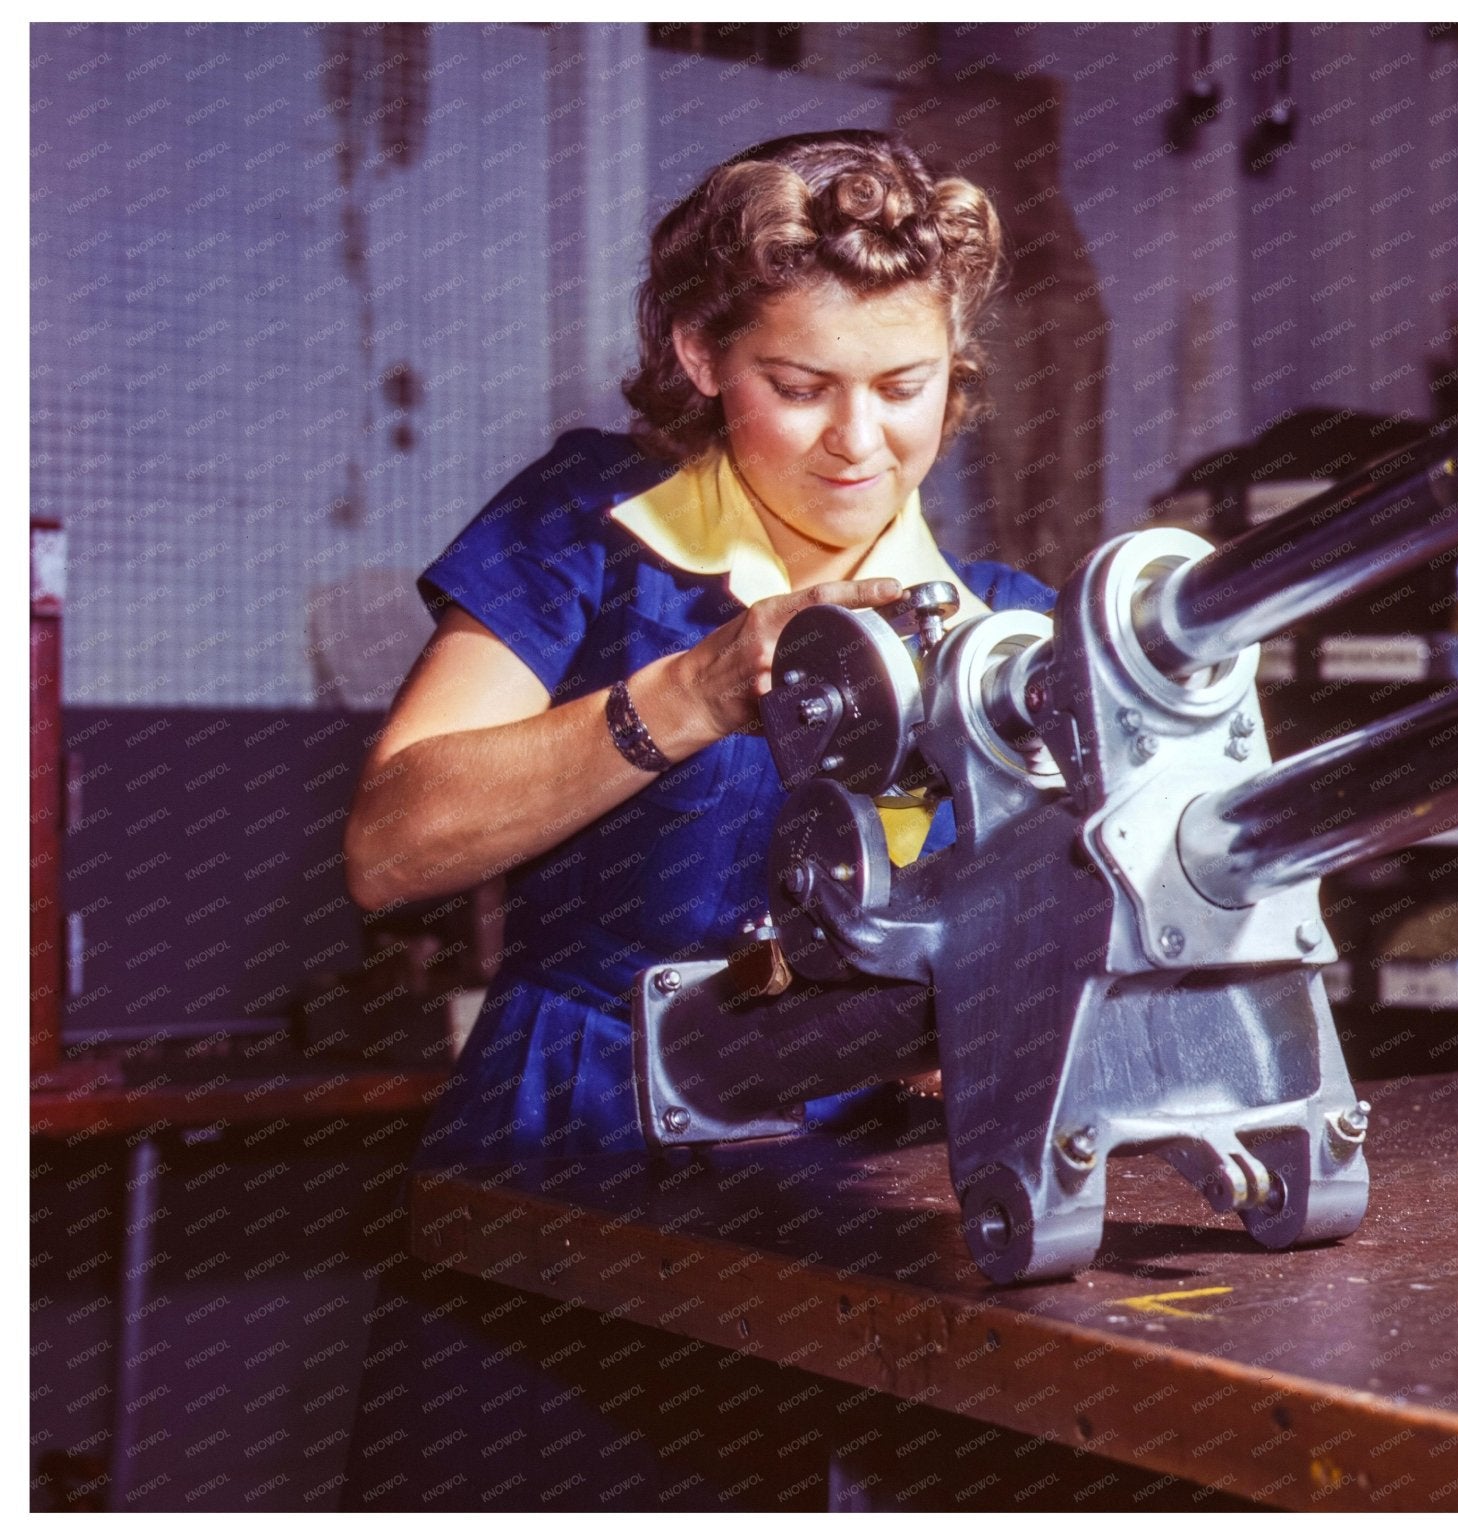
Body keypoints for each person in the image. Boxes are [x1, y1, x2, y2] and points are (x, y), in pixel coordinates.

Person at [338, 129, 1056, 1511]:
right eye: (801, 386)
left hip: (870, 1200)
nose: (861, 441)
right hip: (573, 1159)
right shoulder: (590, 534)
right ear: (698, 354)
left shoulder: (1003, 625)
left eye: (904, 387)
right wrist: (693, 690)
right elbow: (389, 850)